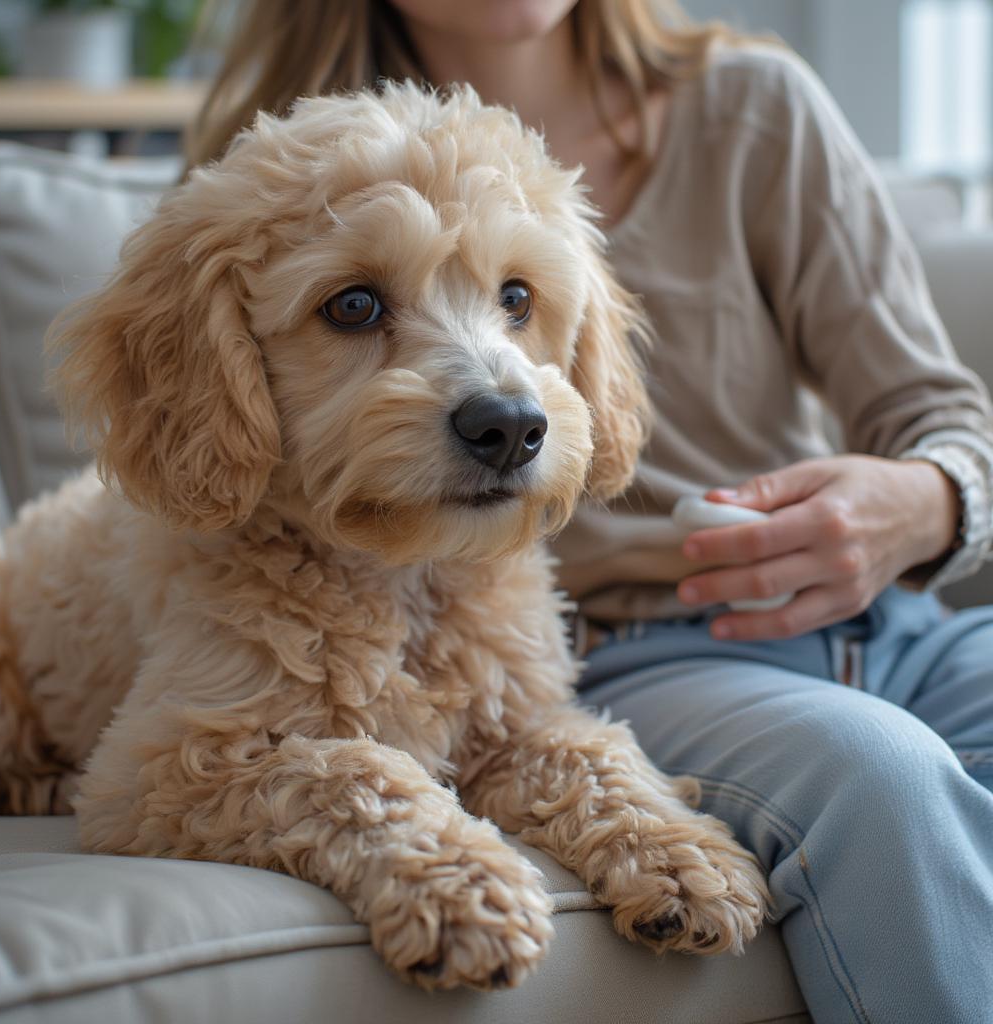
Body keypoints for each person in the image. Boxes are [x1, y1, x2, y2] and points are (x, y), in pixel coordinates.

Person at [187, 2, 993, 1021]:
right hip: (643, 656)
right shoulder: (276, 174)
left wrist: (925, 499)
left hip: (896, 623)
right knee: (883, 780)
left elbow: (941, 414)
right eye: (358, 307)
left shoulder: (754, 105)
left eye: (518, 300)